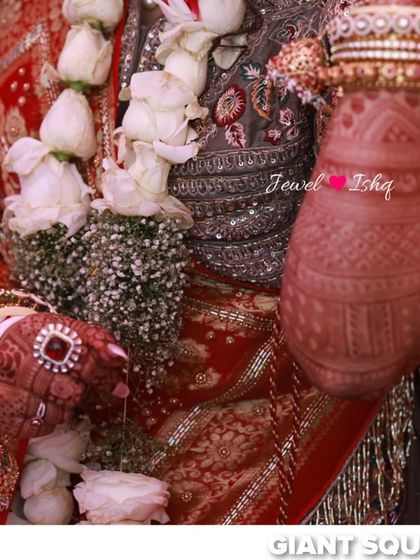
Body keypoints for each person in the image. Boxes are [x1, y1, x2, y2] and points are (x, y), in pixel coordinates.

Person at [0, 0, 414, 525]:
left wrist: (389, 58)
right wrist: (10, 326)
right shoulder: (27, 12)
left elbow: (352, 353)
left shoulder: (356, 19)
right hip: (43, 476)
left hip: (278, 484)